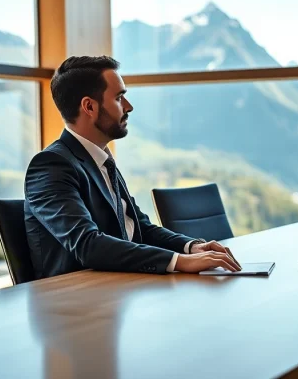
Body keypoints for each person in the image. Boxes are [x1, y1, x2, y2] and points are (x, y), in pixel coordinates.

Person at [24, 55, 241, 279]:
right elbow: (88, 245)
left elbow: (140, 228)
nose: (129, 107)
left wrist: (191, 247)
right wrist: (180, 262)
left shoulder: (102, 161)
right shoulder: (50, 166)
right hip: (79, 301)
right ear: (89, 106)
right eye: (119, 98)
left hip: (122, 288)